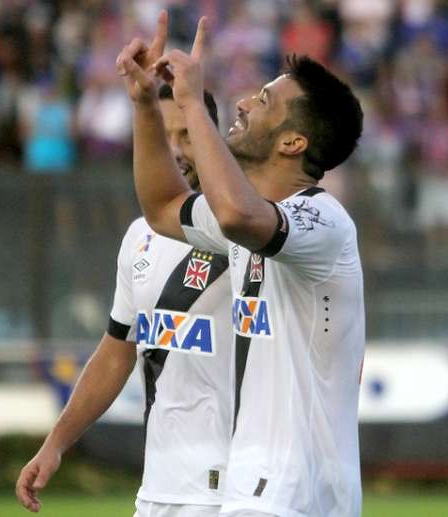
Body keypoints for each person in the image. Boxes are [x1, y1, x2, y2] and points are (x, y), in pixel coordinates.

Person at [117, 12, 365, 517]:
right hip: (250, 489)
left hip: (302, 493)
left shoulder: (323, 221)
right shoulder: (248, 219)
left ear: (293, 143)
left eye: (265, 100)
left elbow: (234, 214)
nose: (244, 101)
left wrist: (192, 102)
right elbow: (163, 207)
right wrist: (146, 103)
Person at [16, 30, 234, 515]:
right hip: (158, 488)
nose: (176, 149)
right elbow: (117, 353)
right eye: (164, 134)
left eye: (188, 134)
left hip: (232, 489)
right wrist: (55, 443)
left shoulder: (243, 229)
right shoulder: (140, 235)